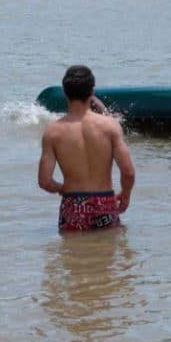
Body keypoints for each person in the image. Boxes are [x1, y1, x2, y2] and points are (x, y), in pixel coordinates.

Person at [38, 65, 135, 231]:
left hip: (72, 204)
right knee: (106, 251)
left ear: (65, 92)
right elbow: (128, 172)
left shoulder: (53, 132)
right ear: (92, 91)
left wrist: (62, 189)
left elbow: (44, 181)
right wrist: (125, 196)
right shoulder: (110, 126)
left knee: (70, 253)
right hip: (104, 203)